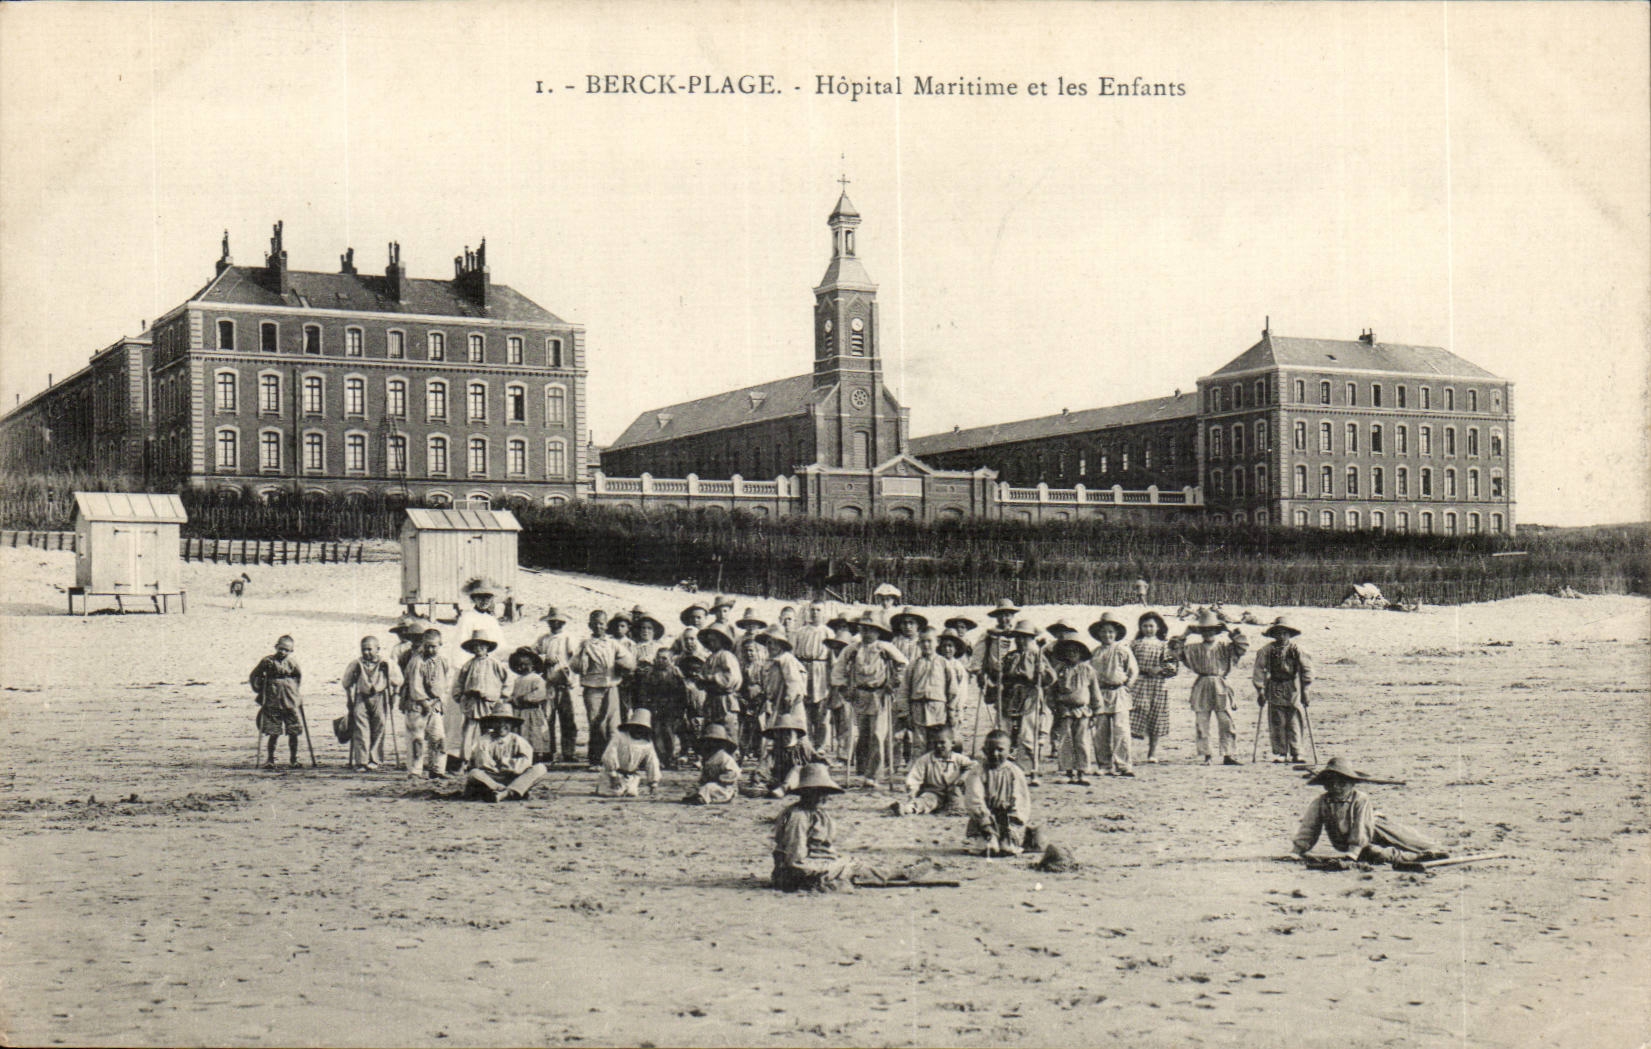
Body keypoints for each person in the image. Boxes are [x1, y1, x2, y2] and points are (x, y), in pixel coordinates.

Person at [1292, 757, 1449, 866]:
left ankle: (1432, 850)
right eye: (1331, 784)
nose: (1336, 788)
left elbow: (1361, 827)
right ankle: (1418, 858)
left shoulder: (1360, 799)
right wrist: (1297, 850)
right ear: (1325, 785)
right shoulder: (1321, 802)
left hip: (1374, 828)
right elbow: (1309, 828)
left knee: (1408, 840)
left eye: (1342, 784)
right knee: (1378, 854)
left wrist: (1353, 853)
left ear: (1352, 784)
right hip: (1356, 843)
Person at [1176, 609, 1249, 766]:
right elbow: (1174, 651)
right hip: (1202, 684)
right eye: (1204, 630)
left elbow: (1243, 646)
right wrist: (1185, 634)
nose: (1208, 633)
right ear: (1200, 632)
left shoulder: (1226, 647)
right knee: (1202, 720)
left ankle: (1228, 754)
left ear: (1217, 630)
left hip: (1220, 684)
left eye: (1212, 629)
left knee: (1225, 720)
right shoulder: (1193, 648)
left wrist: (1230, 630)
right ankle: (1206, 754)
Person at [844, 614, 910, 787]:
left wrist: (894, 682)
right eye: (863, 629)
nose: (866, 633)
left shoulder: (884, 647)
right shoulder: (853, 649)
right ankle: (863, 771)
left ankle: (874, 774)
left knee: (878, 734)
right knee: (863, 733)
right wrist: (845, 687)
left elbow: (903, 664)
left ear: (878, 632)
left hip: (880, 695)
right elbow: (839, 668)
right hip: (860, 695)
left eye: (870, 630)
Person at [771, 763, 857, 892]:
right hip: (799, 872)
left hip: (820, 863)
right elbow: (795, 858)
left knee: (856, 865)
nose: (822, 797)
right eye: (816, 792)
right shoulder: (798, 816)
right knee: (856, 867)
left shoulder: (819, 813)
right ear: (805, 792)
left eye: (824, 792)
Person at [571, 610, 634, 769]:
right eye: (595, 623)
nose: (599, 627)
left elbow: (630, 662)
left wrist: (621, 665)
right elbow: (574, 665)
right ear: (590, 625)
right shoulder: (585, 644)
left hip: (611, 686)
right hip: (592, 688)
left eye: (601, 623)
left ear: (606, 625)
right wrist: (583, 657)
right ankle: (596, 759)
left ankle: (613, 758)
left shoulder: (613, 644)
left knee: (613, 723)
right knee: (596, 722)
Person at [997, 620, 1054, 785]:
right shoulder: (1010, 656)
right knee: (1007, 732)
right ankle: (1007, 768)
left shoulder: (1038, 656)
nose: (1021, 641)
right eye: (1018, 638)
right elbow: (1000, 678)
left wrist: (1042, 674)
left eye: (1026, 638)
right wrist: (998, 672)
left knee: (1028, 734)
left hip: (1031, 697)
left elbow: (1050, 679)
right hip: (1011, 697)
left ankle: (1030, 769)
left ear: (1032, 639)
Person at [963, 729, 1035, 856]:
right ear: (984, 750)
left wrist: (1013, 824)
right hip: (984, 821)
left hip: (1007, 821)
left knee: (1008, 849)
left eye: (1000, 750)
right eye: (991, 750)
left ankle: (1010, 840)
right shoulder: (977, 772)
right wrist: (986, 824)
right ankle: (986, 838)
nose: (995, 754)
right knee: (989, 848)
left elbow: (1020, 800)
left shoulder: (1015, 772)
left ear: (1010, 751)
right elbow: (974, 799)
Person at [1254, 616, 1313, 764]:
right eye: (1278, 633)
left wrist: (1306, 689)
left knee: (1294, 720)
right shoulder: (1266, 650)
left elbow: (1306, 669)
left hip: (1292, 687)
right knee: (1277, 720)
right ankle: (1280, 752)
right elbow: (1259, 670)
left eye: (1284, 633)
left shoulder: (1296, 650)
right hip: (1274, 686)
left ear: (1289, 634)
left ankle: (1297, 752)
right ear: (1273, 634)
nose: (1281, 636)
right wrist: (1260, 690)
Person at [341, 635, 404, 772]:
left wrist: (395, 695)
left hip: (380, 697)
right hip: (361, 697)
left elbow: (398, 680)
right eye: (363, 649)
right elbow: (346, 682)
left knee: (379, 727)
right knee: (361, 729)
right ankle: (361, 761)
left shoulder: (386, 663)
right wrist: (349, 700)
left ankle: (374, 759)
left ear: (378, 649)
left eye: (370, 649)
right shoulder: (356, 663)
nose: (366, 653)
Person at [1088, 612, 1139, 777]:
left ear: (1116, 634)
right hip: (1100, 693)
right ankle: (1104, 764)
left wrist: (1128, 685)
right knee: (1100, 731)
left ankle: (1123, 764)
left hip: (1119, 692)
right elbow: (1089, 674)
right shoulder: (1094, 652)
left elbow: (1133, 670)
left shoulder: (1123, 650)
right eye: (1103, 632)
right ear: (1098, 634)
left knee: (1121, 730)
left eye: (1110, 632)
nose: (1107, 635)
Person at [1046, 637, 1100, 785]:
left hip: (1083, 711)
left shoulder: (1088, 670)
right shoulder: (1059, 670)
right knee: (1065, 740)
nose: (1072, 654)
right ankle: (1067, 771)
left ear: (1081, 654)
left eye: (1075, 651)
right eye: (1068, 651)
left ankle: (1082, 771)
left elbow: (1095, 692)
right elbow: (1050, 692)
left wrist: (1096, 711)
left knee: (1082, 741)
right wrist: (1054, 707)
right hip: (1064, 711)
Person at [453, 629, 511, 763]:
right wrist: (460, 696)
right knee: (468, 732)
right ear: (472, 649)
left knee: (490, 732)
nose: (479, 649)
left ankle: (490, 759)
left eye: (482, 646)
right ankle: (465, 760)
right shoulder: (468, 665)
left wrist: (502, 697)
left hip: (489, 703)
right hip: (472, 703)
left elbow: (506, 681)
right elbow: (459, 683)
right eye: (476, 646)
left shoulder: (495, 664)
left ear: (487, 648)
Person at [462, 714, 549, 802]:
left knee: (540, 768)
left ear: (511, 724)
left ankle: (504, 793)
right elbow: (483, 763)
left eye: (506, 722)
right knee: (474, 773)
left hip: (513, 777)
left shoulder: (518, 740)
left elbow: (525, 762)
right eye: (498, 722)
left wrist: (505, 763)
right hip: (492, 778)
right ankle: (506, 790)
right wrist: (504, 766)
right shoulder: (483, 740)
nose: (501, 726)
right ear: (492, 724)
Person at [1128, 611, 1178, 764]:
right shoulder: (1134, 644)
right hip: (1139, 682)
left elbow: (1173, 667)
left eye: (1151, 626)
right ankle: (1127, 750)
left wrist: (1160, 669)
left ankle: (1152, 752)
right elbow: (1128, 664)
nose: (1148, 629)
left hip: (1158, 684)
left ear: (1158, 628)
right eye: (1145, 626)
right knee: (1133, 714)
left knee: (1156, 716)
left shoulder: (1164, 645)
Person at [532, 607, 580, 765]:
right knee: (547, 718)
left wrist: (567, 670)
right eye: (553, 622)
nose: (556, 625)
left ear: (563, 623)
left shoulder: (568, 638)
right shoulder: (543, 639)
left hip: (565, 683)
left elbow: (575, 658)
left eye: (559, 622)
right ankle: (548, 750)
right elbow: (532, 654)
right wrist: (544, 658)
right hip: (548, 683)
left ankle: (569, 751)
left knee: (568, 718)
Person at [401, 628, 451, 779]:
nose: (430, 649)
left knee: (438, 737)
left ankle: (437, 769)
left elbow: (444, 681)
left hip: (435, 705)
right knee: (416, 739)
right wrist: (424, 703)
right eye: (427, 646)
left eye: (434, 646)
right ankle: (415, 771)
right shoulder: (417, 661)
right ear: (423, 644)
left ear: (440, 644)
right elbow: (415, 687)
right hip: (417, 705)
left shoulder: (442, 661)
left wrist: (439, 699)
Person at [903, 627, 964, 749]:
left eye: (929, 641)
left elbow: (953, 690)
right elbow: (904, 690)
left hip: (938, 711)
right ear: (918, 643)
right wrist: (906, 713)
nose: (926, 645)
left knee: (938, 744)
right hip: (918, 709)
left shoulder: (944, 663)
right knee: (919, 745)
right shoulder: (913, 665)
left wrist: (952, 712)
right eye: (923, 641)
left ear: (936, 642)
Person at [894, 725, 975, 814]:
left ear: (952, 743)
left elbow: (973, 766)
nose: (938, 746)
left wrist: (963, 777)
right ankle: (908, 809)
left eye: (942, 742)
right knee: (925, 800)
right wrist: (912, 791)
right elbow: (914, 778)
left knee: (962, 801)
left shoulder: (958, 759)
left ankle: (957, 807)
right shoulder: (925, 760)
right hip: (934, 793)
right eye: (935, 743)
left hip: (954, 793)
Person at [250, 635, 304, 769]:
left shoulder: (293, 663)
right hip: (272, 700)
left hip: (290, 700)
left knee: (293, 730)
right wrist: (260, 689)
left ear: (291, 651)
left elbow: (298, 678)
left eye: (286, 650)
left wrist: (294, 691)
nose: (283, 652)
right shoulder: (267, 661)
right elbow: (255, 676)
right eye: (281, 649)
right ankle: (270, 759)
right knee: (273, 731)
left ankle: (294, 759)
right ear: (276, 647)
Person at [633, 648, 691, 769]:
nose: (661, 661)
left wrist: (681, 709)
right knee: (657, 732)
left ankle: (669, 757)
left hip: (672, 709)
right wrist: (646, 706)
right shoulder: (650, 674)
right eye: (659, 657)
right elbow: (643, 691)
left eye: (664, 658)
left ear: (670, 660)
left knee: (669, 733)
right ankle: (660, 758)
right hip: (655, 708)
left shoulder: (675, 674)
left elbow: (682, 693)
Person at [791, 602, 835, 753]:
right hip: (804, 669)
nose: (815, 613)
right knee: (805, 709)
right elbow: (794, 656)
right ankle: (806, 742)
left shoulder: (828, 632)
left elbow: (832, 658)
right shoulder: (800, 632)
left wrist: (832, 677)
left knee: (822, 710)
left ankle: (821, 744)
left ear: (823, 613)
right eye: (812, 610)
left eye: (818, 610)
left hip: (821, 671)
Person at [974, 599, 1021, 736]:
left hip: (1016, 678)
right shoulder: (989, 635)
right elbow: (978, 657)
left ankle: (1013, 742)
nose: (1005, 618)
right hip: (997, 678)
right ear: (996, 617)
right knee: (1002, 710)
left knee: (1016, 711)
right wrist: (980, 674)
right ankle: (1002, 738)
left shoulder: (1018, 633)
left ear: (1012, 616)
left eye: (1008, 615)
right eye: (1001, 615)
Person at [693, 624, 744, 746]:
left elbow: (731, 678)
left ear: (721, 640)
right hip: (711, 699)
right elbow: (702, 679)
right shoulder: (709, 659)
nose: (711, 643)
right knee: (711, 730)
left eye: (714, 640)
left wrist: (711, 678)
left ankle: (732, 756)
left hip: (725, 700)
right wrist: (700, 680)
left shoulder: (726, 656)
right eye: (709, 641)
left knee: (728, 728)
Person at [599, 708, 662, 797]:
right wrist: (613, 776)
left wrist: (653, 784)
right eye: (637, 727)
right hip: (613, 774)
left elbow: (652, 762)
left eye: (642, 728)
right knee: (615, 793)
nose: (639, 731)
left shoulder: (647, 743)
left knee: (632, 793)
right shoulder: (619, 736)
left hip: (631, 777)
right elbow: (609, 755)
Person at [735, 609, 770, 758]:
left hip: (760, 691)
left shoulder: (764, 642)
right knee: (745, 723)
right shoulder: (739, 641)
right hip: (745, 690)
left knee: (760, 723)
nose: (751, 627)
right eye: (748, 624)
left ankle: (759, 750)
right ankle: (745, 749)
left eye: (754, 624)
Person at [507, 647, 552, 762]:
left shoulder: (537, 679)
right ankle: (523, 755)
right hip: (520, 712)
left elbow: (540, 694)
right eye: (519, 665)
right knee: (521, 733)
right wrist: (512, 699)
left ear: (533, 665)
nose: (522, 667)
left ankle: (536, 756)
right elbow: (514, 694)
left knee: (534, 733)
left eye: (525, 664)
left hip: (532, 711)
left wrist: (524, 698)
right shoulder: (518, 680)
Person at [761, 711, 818, 797]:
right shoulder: (776, 750)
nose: (785, 736)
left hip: (801, 780)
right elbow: (766, 766)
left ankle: (783, 789)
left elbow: (818, 760)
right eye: (781, 733)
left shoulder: (803, 746)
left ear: (795, 733)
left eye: (788, 732)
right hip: (780, 779)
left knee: (797, 768)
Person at [682, 723, 741, 804]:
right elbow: (704, 776)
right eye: (708, 742)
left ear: (721, 743)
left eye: (715, 742)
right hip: (711, 784)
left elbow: (733, 774)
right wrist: (701, 782)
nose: (711, 744)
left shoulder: (725, 757)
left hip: (725, 788)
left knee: (709, 787)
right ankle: (695, 796)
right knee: (693, 787)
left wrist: (720, 779)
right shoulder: (708, 758)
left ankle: (702, 799)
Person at [453, 579, 504, 654]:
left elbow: (500, 642)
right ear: (473, 599)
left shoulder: (491, 619)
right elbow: (461, 643)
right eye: (480, 597)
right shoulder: (467, 618)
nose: (484, 601)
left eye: (488, 597)